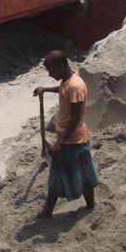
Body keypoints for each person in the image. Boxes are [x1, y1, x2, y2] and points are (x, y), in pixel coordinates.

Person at [33, 51, 98, 218]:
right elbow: (63, 89)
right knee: (84, 172)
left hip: (72, 139)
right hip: (75, 138)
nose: (50, 74)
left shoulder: (76, 86)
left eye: (51, 70)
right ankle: (90, 205)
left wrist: (59, 143)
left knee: (56, 176)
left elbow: (75, 118)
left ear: (62, 66)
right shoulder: (67, 81)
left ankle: (47, 213)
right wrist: (46, 89)